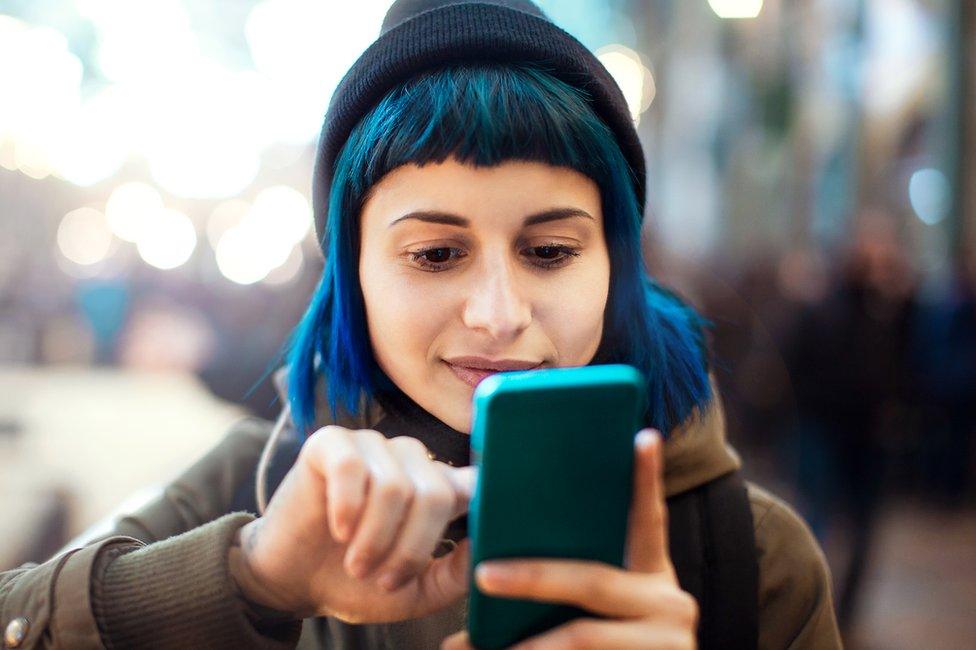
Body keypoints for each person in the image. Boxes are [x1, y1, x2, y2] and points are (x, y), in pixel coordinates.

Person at [0, 1, 841, 648]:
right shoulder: (254, 489)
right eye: (436, 256)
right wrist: (251, 579)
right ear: (352, 275)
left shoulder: (751, 554)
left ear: (616, 264)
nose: (500, 315)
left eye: (549, 251)